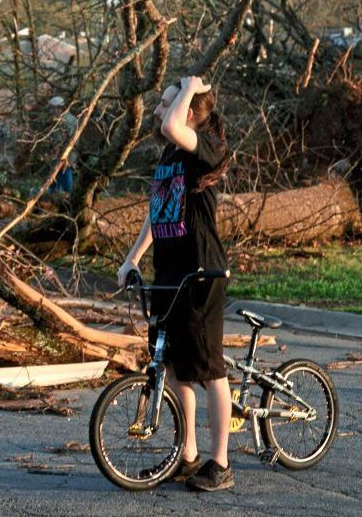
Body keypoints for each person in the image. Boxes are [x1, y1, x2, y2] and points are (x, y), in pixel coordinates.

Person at [116, 75, 234, 492]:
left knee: (210, 370)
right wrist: (132, 258)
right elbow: (157, 211)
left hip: (201, 272)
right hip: (169, 273)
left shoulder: (204, 146)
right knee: (175, 370)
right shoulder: (171, 153)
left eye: (168, 101)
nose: (159, 109)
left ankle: (220, 462)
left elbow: (172, 125)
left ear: (190, 110)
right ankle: (187, 456)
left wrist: (192, 85)